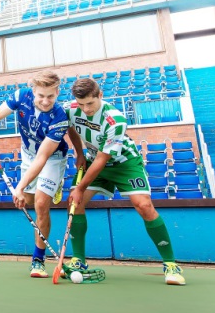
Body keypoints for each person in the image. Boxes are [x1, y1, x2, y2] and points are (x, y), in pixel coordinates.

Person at [65, 78, 185, 285]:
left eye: (90, 104)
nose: (85, 109)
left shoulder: (115, 119)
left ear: (100, 95)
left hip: (124, 163)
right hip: (93, 160)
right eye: (81, 104)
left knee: (144, 206)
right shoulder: (71, 109)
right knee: (75, 204)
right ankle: (79, 261)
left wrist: (80, 187)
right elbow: (71, 128)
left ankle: (171, 264)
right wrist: (79, 153)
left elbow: (104, 159)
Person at [0, 70, 69, 278]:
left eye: (51, 96)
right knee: (28, 201)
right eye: (41, 96)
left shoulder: (59, 117)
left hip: (50, 158)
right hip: (28, 154)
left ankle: (38, 260)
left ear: (57, 92)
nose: (45, 101)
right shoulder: (21, 96)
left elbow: (42, 158)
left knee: (40, 204)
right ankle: (43, 189)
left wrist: (19, 187)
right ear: (33, 91)